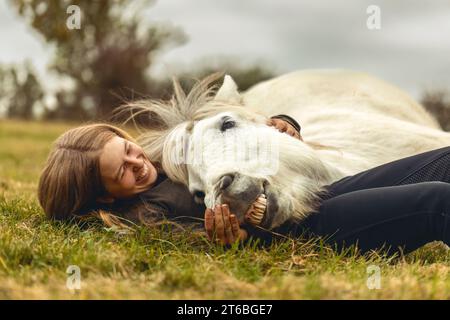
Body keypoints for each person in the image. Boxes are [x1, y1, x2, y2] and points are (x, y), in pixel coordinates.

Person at [37, 115, 301, 229]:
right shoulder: (150, 214)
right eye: (122, 172)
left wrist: (281, 124)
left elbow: (226, 131)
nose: (137, 163)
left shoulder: (167, 155)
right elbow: (205, 237)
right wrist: (240, 235)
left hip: (296, 185)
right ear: (106, 197)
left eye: (129, 149)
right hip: (294, 220)